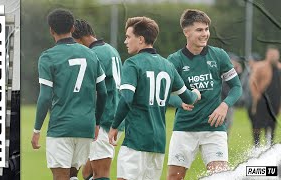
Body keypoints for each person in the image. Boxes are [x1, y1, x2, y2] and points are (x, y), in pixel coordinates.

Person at [108, 16, 201, 180]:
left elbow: (127, 99)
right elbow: (188, 98)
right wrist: (196, 94)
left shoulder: (132, 64)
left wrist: (114, 126)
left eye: (128, 37)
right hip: (158, 143)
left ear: (141, 39)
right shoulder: (168, 66)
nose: (125, 41)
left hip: (136, 141)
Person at [30, 9, 107, 180]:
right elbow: (103, 93)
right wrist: (97, 123)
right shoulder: (91, 55)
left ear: (51, 30)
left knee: (60, 177)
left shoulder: (48, 57)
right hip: (86, 127)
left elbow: (45, 97)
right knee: (72, 175)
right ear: (72, 28)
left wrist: (36, 130)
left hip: (61, 127)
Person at [166, 9, 242, 179]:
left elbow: (236, 87)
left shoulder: (219, 56)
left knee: (219, 176)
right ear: (186, 32)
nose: (205, 34)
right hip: (184, 128)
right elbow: (165, 94)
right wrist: (180, 102)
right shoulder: (174, 60)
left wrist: (224, 105)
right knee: (174, 178)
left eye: (207, 29)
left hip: (214, 129)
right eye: (199, 30)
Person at [71, 19, 124, 180]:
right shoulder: (110, 49)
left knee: (101, 173)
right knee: (88, 172)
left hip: (103, 119)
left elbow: (93, 90)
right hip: (115, 116)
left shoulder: (92, 55)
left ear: (79, 38)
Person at [248, 45, 281, 148]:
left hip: (275, 101)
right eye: (271, 54)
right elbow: (252, 82)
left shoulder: (279, 67)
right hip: (262, 101)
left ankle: (269, 146)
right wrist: (256, 95)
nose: (273, 56)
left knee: (272, 124)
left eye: (275, 54)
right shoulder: (261, 66)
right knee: (258, 124)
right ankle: (256, 146)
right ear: (267, 55)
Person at [221, 53, 243, 135]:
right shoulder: (222, 70)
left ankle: (225, 144)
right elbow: (224, 88)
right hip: (220, 102)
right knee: (221, 124)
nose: (236, 63)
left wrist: (239, 73)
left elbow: (238, 86)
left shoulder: (235, 74)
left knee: (228, 124)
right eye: (234, 61)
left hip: (229, 104)